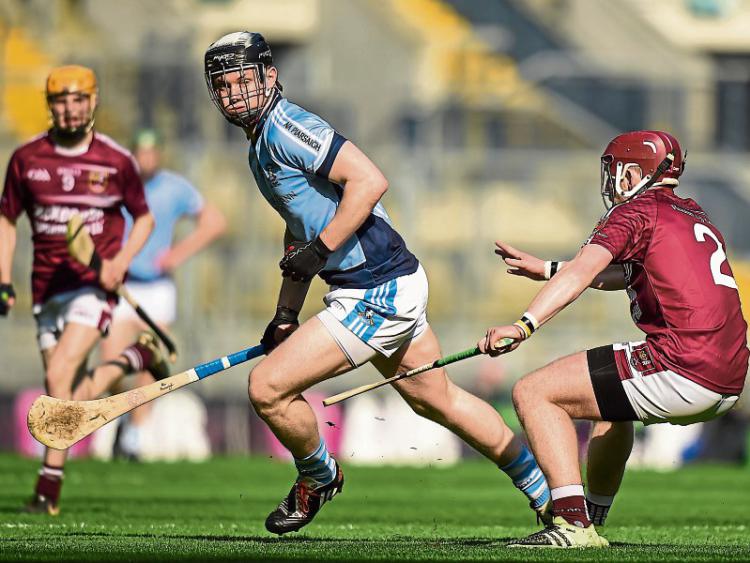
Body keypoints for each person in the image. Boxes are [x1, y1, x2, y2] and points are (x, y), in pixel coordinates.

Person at [204, 31, 551, 535]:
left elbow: (369, 181)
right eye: (224, 85)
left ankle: (318, 477)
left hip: (377, 289)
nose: (234, 93)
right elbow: (300, 230)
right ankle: (549, 495)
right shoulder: (260, 145)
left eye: (243, 80)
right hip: (383, 283)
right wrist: (285, 312)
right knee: (438, 399)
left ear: (270, 76)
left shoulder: (288, 127)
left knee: (268, 389)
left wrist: (319, 253)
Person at [478, 130, 749, 548]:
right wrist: (552, 268)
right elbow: (629, 273)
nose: (609, 181)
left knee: (534, 392)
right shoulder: (691, 212)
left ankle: (571, 524)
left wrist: (524, 324)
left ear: (633, 171)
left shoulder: (635, 212)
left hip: (684, 365)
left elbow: (584, 272)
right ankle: (592, 515)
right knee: (611, 410)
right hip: (729, 375)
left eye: (614, 170)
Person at [0, 65, 169, 515]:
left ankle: (47, 489)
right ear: (49, 104)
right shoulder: (26, 159)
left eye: (79, 100)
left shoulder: (116, 161)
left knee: (57, 380)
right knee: (70, 395)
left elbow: (145, 218)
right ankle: (135, 358)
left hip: (93, 289)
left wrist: (119, 262)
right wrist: (2, 278)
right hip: (46, 289)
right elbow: (6, 219)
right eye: (61, 100)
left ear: (93, 102)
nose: (70, 109)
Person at [100, 129, 226, 460]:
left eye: (152, 152)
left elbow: (214, 222)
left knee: (149, 365)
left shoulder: (174, 187)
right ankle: (126, 416)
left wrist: (178, 254)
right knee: (110, 362)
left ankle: (135, 436)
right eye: (141, 153)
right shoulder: (118, 185)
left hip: (157, 288)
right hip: (122, 286)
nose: (146, 159)